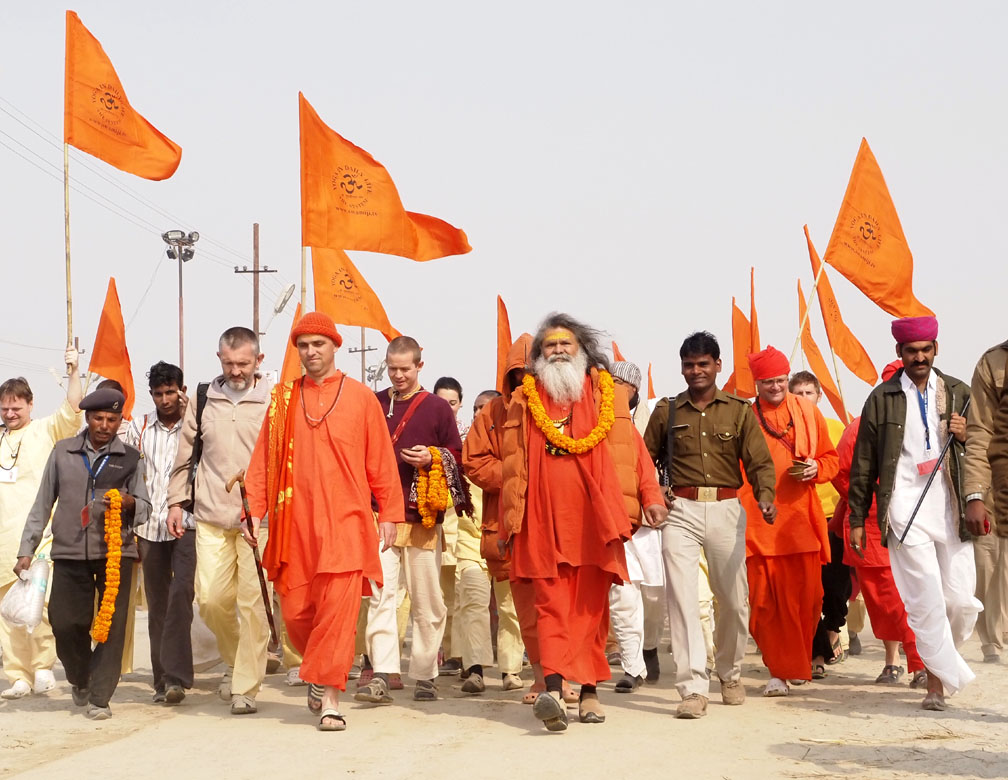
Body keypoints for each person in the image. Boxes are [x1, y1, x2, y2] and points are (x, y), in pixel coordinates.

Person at [499, 313, 665, 731]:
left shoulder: (606, 394)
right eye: (549, 346)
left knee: (590, 610)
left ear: (583, 351)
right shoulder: (524, 398)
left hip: (594, 520)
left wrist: (651, 496)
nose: (557, 351)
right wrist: (508, 521)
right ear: (538, 356)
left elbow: (634, 453)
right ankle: (554, 689)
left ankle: (589, 692)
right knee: (550, 605)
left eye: (565, 345)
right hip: (541, 520)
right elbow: (511, 466)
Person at [243, 312, 403, 730]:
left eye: (319, 344)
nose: (311, 352)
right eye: (304, 345)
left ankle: (331, 698)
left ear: (335, 346)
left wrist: (389, 511)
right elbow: (261, 461)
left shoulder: (362, 398)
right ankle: (317, 668)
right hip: (293, 525)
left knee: (338, 613)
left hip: (347, 524)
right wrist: (253, 510)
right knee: (296, 613)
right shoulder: (282, 401)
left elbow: (381, 462)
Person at [848, 316, 981, 711]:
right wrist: (857, 519)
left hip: (949, 506)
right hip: (905, 508)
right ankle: (935, 684)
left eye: (925, 350)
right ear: (899, 353)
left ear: (935, 349)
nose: (919, 357)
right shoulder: (881, 398)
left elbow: (983, 449)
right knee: (926, 602)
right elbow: (863, 464)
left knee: (957, 600)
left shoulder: (959, 392)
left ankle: (945, 663)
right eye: (911, 351)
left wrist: (966, 433)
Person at [643, 332, 777, 717]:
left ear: (718, 365)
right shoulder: (667, 411)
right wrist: (655, 493)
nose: (696, 371)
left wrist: (765, 495)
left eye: (703, 363)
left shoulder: (738, 410)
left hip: (726, 509)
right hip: (680, 512)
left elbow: (760, 462)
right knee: (683, 602)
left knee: (734, 601)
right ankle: (692, 688)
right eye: (689, 364)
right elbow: (643, 460)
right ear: (681, 367)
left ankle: (730, 673)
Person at [15, 387, 151, 719]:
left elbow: (146, 508)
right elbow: (42, 503)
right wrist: (26, 549)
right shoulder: (63, 452)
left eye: (112, 419)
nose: (105, 425)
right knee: (65, 622)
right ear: (87, 418)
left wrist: (129, 502)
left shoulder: (131, 458)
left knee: (112, 627)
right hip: (69, 551)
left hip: (116, 554)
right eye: (99, 418)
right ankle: (80, 678)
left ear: (120, 421)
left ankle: (100, 697)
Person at [464, 334, 577, 706]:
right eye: (518, 374)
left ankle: (566, 676)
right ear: (508, 378)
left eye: (531, 373)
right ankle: (545, 678)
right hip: (515, 526)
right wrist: (517, 476)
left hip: (561, 524)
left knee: (563, 605)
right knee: (527, 609)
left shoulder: (566, 408)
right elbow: (474, 461)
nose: (525, 381)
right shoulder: (493, 413)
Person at [356, 336, 468, 705]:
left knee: (427, 600)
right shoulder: (373, 403)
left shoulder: (437, 408)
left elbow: (456, 453)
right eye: (392, 368)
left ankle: (425, 674)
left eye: (405, 368)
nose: (399, 375)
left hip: (422, 517)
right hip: (380, 515)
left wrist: (432, 457)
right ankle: (384, 673)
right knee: (381, 597)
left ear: (421, 365)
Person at [166, 327, 272, 715]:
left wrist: (267, 506)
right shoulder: (202, 397)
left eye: (243, 363)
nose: (236, 370)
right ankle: (237, 656)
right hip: (210, 513)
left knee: (252, 602)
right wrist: (177, 501)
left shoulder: (273, 400)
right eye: (229, 363)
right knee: (211, 600)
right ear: (219, 359)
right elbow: (186, 454)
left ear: (258, 361)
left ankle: (245, 684)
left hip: (257, 519)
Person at [741, 346, 838, 697]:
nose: (776, 387)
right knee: (764, 606)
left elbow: (832, 461)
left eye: (781, 380)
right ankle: (777, 672)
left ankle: (797, 663)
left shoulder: (808, 413)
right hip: (758, 523)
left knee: (809, 601)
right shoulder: (745, 416)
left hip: (801, 523)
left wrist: (817, 468)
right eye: (768, 382)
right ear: (757, 383)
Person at [833, 361, 926, 688]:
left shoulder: (928, 426)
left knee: (917, 593)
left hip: (918, 520)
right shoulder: (859, 428)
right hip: (872, 525)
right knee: (884, 599)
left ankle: (920, 661)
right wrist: (869, 499)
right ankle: (894, 660)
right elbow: (842, 474)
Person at [0, 347, 82, 700]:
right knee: (10, 611)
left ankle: (44, 667)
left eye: (16, 406)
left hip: (39, 537)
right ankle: (18, 673)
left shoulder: (46, 430)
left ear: (30, 404)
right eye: (4, 407)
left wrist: (74, 370)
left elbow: (73, 410)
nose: (10, 412)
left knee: (41, 603)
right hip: (3, 538)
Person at [124, 361, 195, 704]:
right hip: (149, 527)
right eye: (158, 393)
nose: (165, 399)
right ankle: (163, 679)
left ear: (182, 389)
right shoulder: (139, 427)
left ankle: (179, 675)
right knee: (158, 604)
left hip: (187, 524)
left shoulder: (196, 425)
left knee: (182, 598)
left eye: (171, 392)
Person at [452, 388, 525, 693]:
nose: (482, 414)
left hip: (505, 538)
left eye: (487, 409)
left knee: (510, 607)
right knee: (473, 604)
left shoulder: (516, 448)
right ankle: (476, 669)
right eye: (476, 409)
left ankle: (511, 670)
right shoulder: (466, 452)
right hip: (470, 540)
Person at [607, 360, 666, 694]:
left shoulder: (649, 418)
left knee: (655, 596)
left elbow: (646, 468)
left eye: (619, 383)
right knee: (623, 597)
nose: (613, 387)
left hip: (646, 524)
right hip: (613, 525)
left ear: (633, 389)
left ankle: (650, 646)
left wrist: (653, 500)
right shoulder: (594, 422)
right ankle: (633, 667)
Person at [789, 371, 850, 671]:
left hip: (834, 518)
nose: (802, 399)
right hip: (799, 521)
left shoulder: (838, 429)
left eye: (808, 393)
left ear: (819, 396)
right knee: (810, 590)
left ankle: (833, 629)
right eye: (797, 393)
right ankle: (816, 655)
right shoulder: (784, 431)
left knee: (837, 588)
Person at [964, 338, 1008, 663]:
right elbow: (979, 434)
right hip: (998, 488)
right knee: (989, 567)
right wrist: (975, 495)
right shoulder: (993, 363)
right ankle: (993, 645)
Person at [433, 375, 464, 676]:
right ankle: (441, 651)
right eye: (441, 402)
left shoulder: (468, 440)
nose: (447, 408)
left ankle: (459, 652)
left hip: (464, 533)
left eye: (452, 403)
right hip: (431, 531)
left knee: (461, 598)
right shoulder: (426, 440)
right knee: (436, 598)